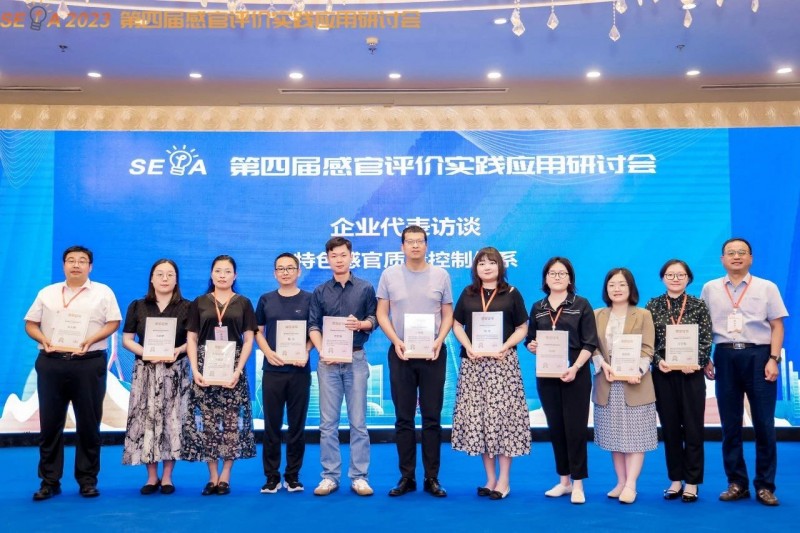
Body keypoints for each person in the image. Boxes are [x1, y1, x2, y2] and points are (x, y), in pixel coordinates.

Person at [24, 245, 122, 501]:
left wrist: (91, 339)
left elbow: (114, 322)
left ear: (90, 266)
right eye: (71, 260)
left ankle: (87, 480)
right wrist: (43, 339)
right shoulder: (47, 293)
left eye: (82, 261)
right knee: (50, 425)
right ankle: (49, 481)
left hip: (89, 364)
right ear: (64, 265)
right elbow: (30, 323)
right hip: (52, 362)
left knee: (89, 424)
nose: (76, 265)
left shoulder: (103, 292)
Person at [700, 238, 788, 506]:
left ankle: (765, 486)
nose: (736, 256)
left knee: (764, 424)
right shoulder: (710, 288)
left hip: (759, 356)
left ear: (751, 258)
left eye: (742, 252)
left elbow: (777, 326)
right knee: (730, 424)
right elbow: (703, 327)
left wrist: (773, 359)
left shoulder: (766, 287)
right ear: (722, 259)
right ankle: (737, 483)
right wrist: (705, 357)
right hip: (724, 356)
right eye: (731, 253)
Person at [376, 226, 454, 498]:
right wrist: (396, 340)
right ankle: (406, 476)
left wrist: (439, 340)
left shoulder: (441, 275)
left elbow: (448, 314)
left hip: (433, 353)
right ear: (402, 246)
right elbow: (382, 313)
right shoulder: (389, 275)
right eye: (410, 242)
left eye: (420, 241)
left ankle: (432, 477)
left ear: (426, 245)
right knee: (404, 417)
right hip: (401, 353)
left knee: (432, 417)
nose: (415, 246)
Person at [451, 247, 530, 501]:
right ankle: (490, 479)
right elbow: (456, 324)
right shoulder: (468, 293)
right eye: (482, 263)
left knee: (504, 421)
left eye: (492, 262)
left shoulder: (512, 293)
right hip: (474, 366)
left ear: (500, 266)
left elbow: (522, 327)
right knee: (482, 420)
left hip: (502, 365)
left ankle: (504, 480)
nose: (487, 267)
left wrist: (505, 346)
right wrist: (468, 346)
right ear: (475, 268)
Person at [182, 255, 257, 496]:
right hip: (205, 367)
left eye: (227, 271)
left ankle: (226, 475)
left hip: (232, 367)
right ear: (211, 274)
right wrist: (195, 370)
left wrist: (238, 370)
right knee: (209, 423)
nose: (222, 275)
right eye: (218, 271)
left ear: (235, 276)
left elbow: (249, 339)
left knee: (231, 422)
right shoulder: (200, 302)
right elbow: (192, 338)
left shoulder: (243, 303)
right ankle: (212, 476)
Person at [308, 237, 377, 497]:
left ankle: (359, 477)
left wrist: (360, 324)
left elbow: (374, 319)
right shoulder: (320, 291)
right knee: (328, 423)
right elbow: (313, 326)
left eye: (343, 255)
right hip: (328, 363)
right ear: (327, 259)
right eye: (333, 256)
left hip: (356, 359)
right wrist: (323, 350)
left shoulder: (365, 288)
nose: (339, 259)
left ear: (351, 257)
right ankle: (329, 476)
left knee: (358, 422)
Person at [525, 257, 597, 504]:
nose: (557, 277)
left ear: (570, 278)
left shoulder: (581, 304)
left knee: (575, 429)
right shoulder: (538, 307)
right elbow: (530, 339)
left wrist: (575, 367)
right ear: (545, 278)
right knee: (556, 428)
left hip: (575, 374)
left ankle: (578, 484)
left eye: (562, 273)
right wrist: (532, 346)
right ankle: (564, 481)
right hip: (547, 375)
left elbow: (590, 342)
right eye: (552, 273)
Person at [121, 259, 191, 495]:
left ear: (176, 279)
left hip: (175, 371)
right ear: (151, 278)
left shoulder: (188, 307)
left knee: (172, 421)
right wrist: (146, 352)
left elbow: (192, 341)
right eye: (159, 274)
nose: (164, 278)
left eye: (170, 274)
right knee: (147, 420)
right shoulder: (138, 306)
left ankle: (168, 476)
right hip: (146, 372)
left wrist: (178, 350)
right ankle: (151, 477)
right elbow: (127, 339)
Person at [645, 259, 712, 503]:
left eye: (680, 275)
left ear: (688, 278)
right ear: (663, 278)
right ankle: (675, 479)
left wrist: (697, 361)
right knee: (670, 429)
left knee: (693, 428)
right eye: (670, 275)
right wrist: (657, 360)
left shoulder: (698, 304)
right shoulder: (652, 305)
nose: (675, 279)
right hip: (663, 374)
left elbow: (706, 338)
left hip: (691, 375)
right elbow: (647, 341)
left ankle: (692, 482)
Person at [592, 267, 656, 505]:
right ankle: (620, 482)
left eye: (622, 284)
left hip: (635, 384)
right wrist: (601, 364)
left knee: (636, 437)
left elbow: (648, 348)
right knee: (614, 437)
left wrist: (637, 371)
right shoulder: (597, 314)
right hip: (607, 383)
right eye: (612, 285)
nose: (616, 289)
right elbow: (591, 346)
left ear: (631, 288)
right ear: (606, 289)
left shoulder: (643, 314)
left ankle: (631, 484)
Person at [254, 253, 312, 494]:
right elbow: (257, 331)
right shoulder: (266, 299)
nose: (285, 272)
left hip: (299, 370)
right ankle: (272, 477)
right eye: (280, 268)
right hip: (273, 371)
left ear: (299, 272)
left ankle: (293, 476)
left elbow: (315, 331)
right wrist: (268, 353)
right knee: (272, 425)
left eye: (290, 268)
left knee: (297, 425)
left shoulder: (310, 299)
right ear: (274, 273)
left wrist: (306, 350)